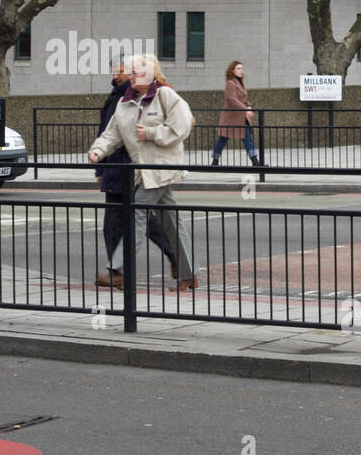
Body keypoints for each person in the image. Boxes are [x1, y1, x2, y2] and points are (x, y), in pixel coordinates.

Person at [88, 54, 199, 291]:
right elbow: (112, 133)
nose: (131, 76)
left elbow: (184, 124)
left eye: (136, 72)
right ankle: (189, 274)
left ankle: (117, 270)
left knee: (135, 215)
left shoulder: (164, 95)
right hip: (144, 171)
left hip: (162, 168)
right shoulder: (125, 103)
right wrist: (97, 151)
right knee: (171, 221)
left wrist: (151, 133)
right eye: (130, 72)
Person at [210, 60, 261, 167]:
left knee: (248, 138)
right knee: (223, 139)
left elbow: (243, 98)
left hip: (241, 117)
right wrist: (245, 109)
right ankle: (215, 160)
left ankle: (255, 162)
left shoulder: (241, 82)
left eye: (242, 68)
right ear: (232, 71)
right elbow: (231, 99)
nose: (241, 70)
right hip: (230, 117)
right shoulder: (230, 83)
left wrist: (248, 105)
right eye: (238, 68)